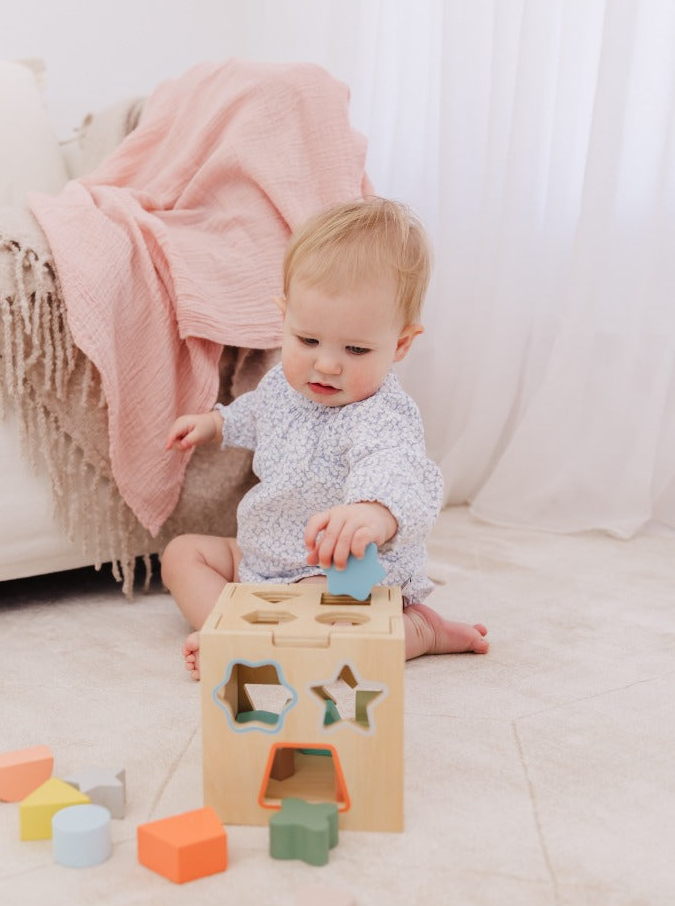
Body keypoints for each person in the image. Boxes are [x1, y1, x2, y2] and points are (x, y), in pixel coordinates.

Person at [161, 198, 488, 677]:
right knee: (181, 554)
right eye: (308, 341)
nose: (327, 364)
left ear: (399, 345)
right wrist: (217, 425)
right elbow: (258, 412)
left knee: (333, 630)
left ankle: (418, 629)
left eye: (356, 349)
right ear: (285, 318)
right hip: (262, 554)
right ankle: (238, 635)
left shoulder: (382, 416)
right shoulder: (282, 384)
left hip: (333, 571)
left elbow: (399, 473)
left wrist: (373, 513)